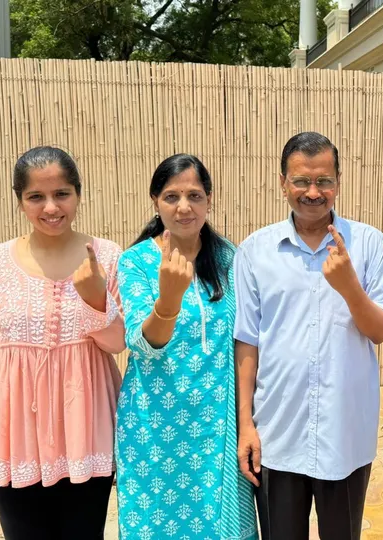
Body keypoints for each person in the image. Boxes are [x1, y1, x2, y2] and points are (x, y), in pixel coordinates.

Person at [0, 146, 124, 539]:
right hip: (11, 434)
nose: (51, 207)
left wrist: (94, 300)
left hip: (87, 431)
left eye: (62, 194)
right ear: (20, 201)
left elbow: (118, 344)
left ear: (79, 193)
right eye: (36, 197)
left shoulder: (107, 256)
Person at [234, 131, 383, 540]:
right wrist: (246, 426)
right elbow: (247, 342)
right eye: (301, 181)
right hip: (277, 432)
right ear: (282, 183)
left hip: (344, 434)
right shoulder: (256, 251)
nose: (313, 191)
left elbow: (380, 331)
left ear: (338, 182)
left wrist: (348, 286)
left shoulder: (370, 245)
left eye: (323, 181)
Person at [115, 154, 257, 540]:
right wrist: (169, 301)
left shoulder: (230, 258)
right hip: (155, 424)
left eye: (194, 195)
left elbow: (248, 338)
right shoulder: (137, 262)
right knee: (158, 523)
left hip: (218, 423)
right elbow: (143, 346)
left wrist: (248, 419)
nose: (184, 207)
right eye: (171, 196)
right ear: (155, 201)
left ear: (209, 200)